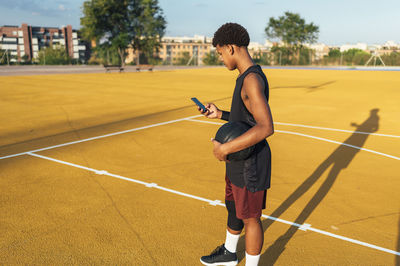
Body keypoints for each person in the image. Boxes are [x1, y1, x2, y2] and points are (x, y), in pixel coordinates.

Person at [198, 23, 274, 266]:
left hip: (251, 162)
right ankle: (229, 254)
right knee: (233, 207)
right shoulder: (244, 77)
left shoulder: (252, 80)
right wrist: (220, 114)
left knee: (251, 218)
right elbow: (246, 120)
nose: (220, 59)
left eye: (220, 53)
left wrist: (225, 148)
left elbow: (265, 126)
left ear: (231, 48)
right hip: (239, 159)